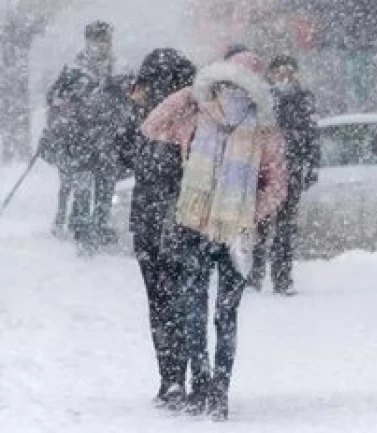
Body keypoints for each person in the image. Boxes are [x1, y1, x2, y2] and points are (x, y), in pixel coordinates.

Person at [141, 49, 288, 420]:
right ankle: (217, 391)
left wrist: (190, 93)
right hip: (229, 233)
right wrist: (250, 213)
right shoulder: (259, 128)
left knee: (197, 311)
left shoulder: (202, 116)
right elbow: (278, 185)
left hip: (202, 228)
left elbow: (152, 124)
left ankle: (204, 387)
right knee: (224, 315)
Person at [117, 48, 197, 409]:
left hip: (151, 221)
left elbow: (120, 158)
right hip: (188, 221)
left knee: (161, 304)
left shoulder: (147, 121)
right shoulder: (197, 115)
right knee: (187, 301)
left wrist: (132, 108)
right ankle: (196, 376)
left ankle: (171, 379)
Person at [249, 54, 320, 295]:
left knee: (286, 228)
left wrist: (310, 165)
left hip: (292, 171)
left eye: (290, 72)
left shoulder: (303, 100)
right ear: (271, 75)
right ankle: (254, 275)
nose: (285, 77)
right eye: (280, 72)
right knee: (260, 224)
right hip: (265, 173)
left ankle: (282, 278)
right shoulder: (262, 100)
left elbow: (312, 136)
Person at [45, 20, 114, 239]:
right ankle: (80, 227)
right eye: (97, 40)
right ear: (88, 41)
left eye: (105, 40)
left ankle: (101, 226)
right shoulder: (74, 69)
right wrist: (64, 103)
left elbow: (128, 99)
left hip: (108, 136)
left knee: (106, 184)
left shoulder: (118, 68)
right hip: (78, 136)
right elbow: (52, 96)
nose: (101, 45)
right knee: (79, 183)